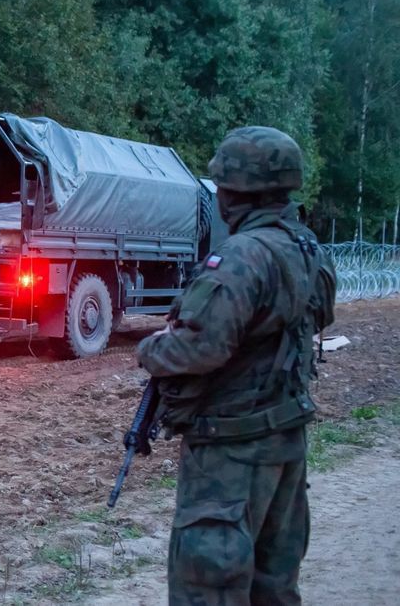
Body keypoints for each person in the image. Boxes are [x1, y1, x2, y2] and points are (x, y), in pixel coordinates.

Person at [136, 126, 337, 606]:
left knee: (210, 589)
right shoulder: (308, 248)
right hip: (286, 438)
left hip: (232, 447)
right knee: (274, 586)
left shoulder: (242, 256)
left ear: (234, 192)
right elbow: (319, 314)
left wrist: (149, 349)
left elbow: (201, 349)